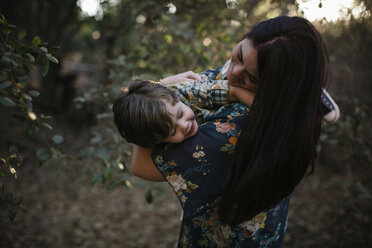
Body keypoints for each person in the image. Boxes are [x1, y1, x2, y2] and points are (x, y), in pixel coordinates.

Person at [127, 16, 338, 247]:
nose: (231, 72)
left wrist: (159, 90)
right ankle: (309, 91)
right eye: (237, 55)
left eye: (251, 77)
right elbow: (200, 87)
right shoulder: (274, 97)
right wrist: (160, 90)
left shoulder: (227, 135)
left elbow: (140, 165)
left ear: (275, 86)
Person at [113, 79, 255, 147]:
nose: (184, 125)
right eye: (173, 131)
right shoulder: (154, 138)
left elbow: (233, 91)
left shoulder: (188, 91)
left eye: (180, 114)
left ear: (177, 97)